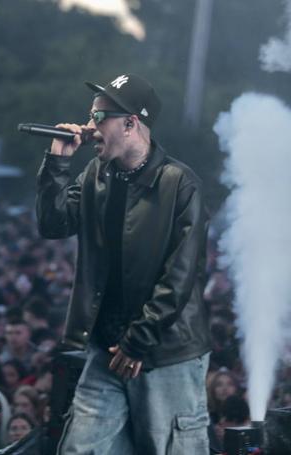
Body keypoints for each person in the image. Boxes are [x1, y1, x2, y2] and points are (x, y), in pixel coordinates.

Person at [36, 73, 212, 453]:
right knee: (79, 449)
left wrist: (138, 342)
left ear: (131, 123)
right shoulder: (96, 175)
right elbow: (52, 224)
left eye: (99, 118)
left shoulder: (180, 185)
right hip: (106, 348)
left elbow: (180, 277)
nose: (89, 126)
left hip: (165, 353)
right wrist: (56, 161)